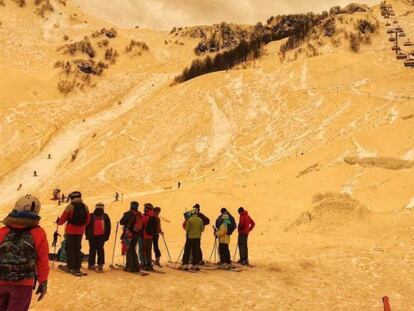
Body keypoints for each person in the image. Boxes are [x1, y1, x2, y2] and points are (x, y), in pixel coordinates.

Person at [0, 195, 49, 311]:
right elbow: (42, 259)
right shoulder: (39, 233)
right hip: (23, 284)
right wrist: (43, 281)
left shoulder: (3, 231)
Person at [57, 191, 90, 277]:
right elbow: (88, 220)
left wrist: (59, 222)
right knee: (77, 248)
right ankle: (77, 267)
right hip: (80, 231)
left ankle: (71, 266)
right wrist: (81, 226)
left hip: (70, 231)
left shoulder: (70, 207)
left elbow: (62, 220)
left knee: (70, 249)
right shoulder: (85, 207)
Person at [85, 203, 111, 272]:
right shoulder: (105, 216)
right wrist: (107, 236)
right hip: (102, 236)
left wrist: (87, 235)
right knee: (100, 249)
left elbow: (87, 226)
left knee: (92, 249)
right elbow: (108, 227)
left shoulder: (91, 215)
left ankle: (91, 264)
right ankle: (100, 264)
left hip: (92, 235)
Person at [120, 201, 142, 273]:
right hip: (137, 234)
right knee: (133, 249)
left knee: (129, 249)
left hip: (129, 234)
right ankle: (136, 266)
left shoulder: (128, 214)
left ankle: (129, 266)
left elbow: (121, 222)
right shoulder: (139, 214)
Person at [142, 203, 158, 271]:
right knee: (149, 250)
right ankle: (149, 264)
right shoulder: (154, 216)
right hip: (151, 236)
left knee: (144, 250)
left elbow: (142, 224)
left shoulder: (146, 216)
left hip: (145, 235)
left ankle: (146, 264)